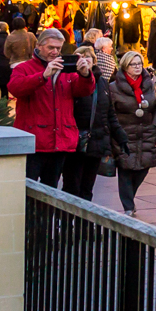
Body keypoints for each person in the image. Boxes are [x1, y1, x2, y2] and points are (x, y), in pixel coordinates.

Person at [8, 28, 95, 187]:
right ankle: (31, 213)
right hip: (34, 142)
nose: (55, 52)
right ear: (39, 46)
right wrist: (42, 76)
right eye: (51, 48)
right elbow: (15, 88)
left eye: (58, 48)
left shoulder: (66, 69)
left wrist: (85, 75)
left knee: (51, 189)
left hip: (60, 141)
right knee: (28, 189)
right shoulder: (24, 68)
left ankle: (46, 213)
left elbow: (83, 91)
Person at [109, 50, 156, 215]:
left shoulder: (148, 85)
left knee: (143, 167)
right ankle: (128, 206)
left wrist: (155, 126)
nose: (137, 67)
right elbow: (110, 111)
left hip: (146, 132)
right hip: (125, 133)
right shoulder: (114, 88)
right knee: (125, 169)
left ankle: (129, 199)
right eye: (133, 64)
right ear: (125, 66)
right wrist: (116, 130)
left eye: (139, 64)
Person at [58, 45, 106, 200]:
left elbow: (108, 113)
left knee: (87, 187)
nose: (85, 61)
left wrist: (115, 138)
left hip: (95, 140)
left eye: (88, 57)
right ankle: (66, 221)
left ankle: (83, 222)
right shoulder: (69, 80)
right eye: (80, 57)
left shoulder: (102, 82)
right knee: (72, 185)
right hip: (74, 140)